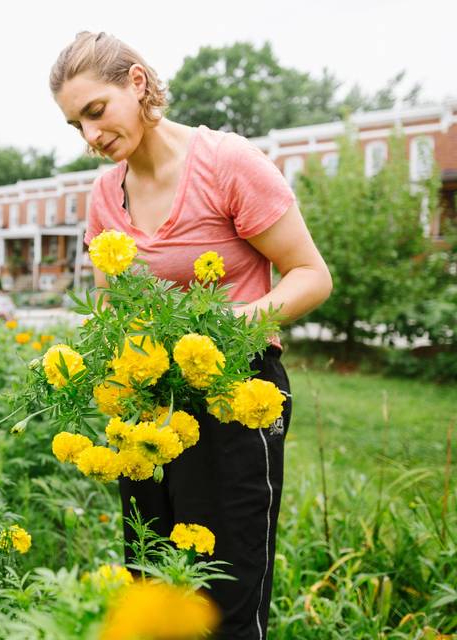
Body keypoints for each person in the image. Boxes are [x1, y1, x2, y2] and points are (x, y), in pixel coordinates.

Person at [50, 32, 333, 639]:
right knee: (153, 585)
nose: (91, 136)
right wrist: (103, 368)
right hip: (149, 408)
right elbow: (109, 306)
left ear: (137, 82)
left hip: (236, 397)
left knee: (225, 598)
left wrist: (234, 320)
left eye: (95, 112)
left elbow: (312, 275)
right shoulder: (106, 193)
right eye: (76, 125)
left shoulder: (227, 164)